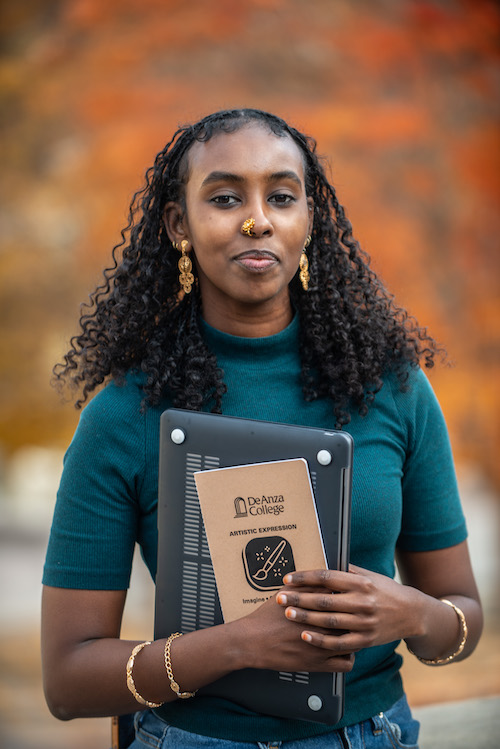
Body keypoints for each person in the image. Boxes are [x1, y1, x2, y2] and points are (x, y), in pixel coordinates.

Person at [41, 108, 483, 749]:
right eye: (224, 198)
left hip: (370, 734)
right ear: (178, 225)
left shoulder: (393, 388)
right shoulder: (122, 417)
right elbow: (67, 679)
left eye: (281, 196)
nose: (258, 220)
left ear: (308, 219)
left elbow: (462, 620)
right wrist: (237, 644)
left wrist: (410, 613)